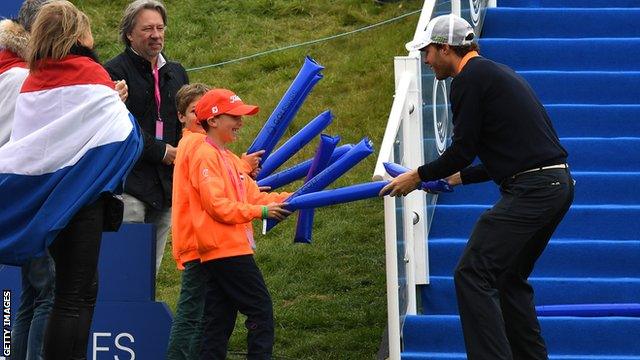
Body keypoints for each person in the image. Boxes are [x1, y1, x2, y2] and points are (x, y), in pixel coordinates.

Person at [380, 14, 574, 360]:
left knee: (471, 273)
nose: (426, 60)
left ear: (446, 49)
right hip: (555, 184)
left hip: (533, 189)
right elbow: (512, 153)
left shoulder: (467, 80)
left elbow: (460, 151)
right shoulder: (496, 73)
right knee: (509, 279)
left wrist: (417, 176)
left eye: (428, 52)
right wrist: (456, 177)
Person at [0, 1, 142, 358]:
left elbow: (46, 141)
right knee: (70, 295)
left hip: (49, 201)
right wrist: (113, 101)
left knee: (66, 293)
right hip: (82, 198)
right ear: (77, 33)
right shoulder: (87, 72)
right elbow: (123, 133)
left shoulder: (35, 77)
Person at [186, 88, 290, 359]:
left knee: (218, 321)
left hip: (228, 248)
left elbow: (253, 195)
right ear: (213, 120)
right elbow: (216, 205)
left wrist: (296, 197)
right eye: (235, 117)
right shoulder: (205, 156)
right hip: (225, 248)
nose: (240, 123)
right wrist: (262, 212)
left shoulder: (230, 158)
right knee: (260, 309)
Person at [105, 0, 188, 274]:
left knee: (150, 272)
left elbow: (187, 120)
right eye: (147, 29)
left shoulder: (176, 72)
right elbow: (120, 127)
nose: (156, 34)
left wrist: (184, 150)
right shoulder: (113, 72)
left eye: (160, 27)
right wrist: (163, 152)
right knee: (125, 271)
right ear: (129, 33)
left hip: (166, 188)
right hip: (130, 187)